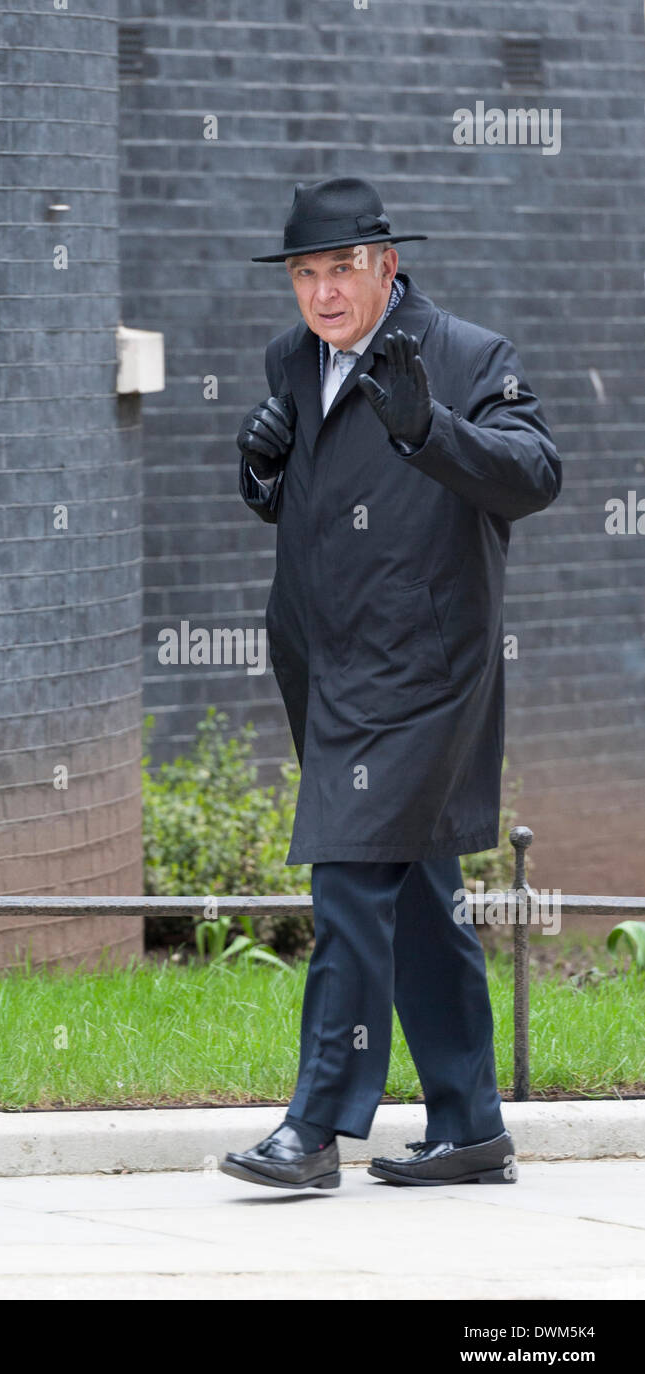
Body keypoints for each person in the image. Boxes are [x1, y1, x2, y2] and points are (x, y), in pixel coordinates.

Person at [220, 176, 562, 1191]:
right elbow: (309, 508)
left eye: (341, 270)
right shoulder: (293, 359)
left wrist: (429, 432)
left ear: (386, 266)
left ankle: (315, 1126)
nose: (322, 293)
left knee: (348, 876)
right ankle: (469, 1125)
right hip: (326, 668)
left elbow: (534, 475)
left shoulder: (464, 355)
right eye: (304, 274)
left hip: (422, 670)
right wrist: (259, 475)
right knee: (415, 889)